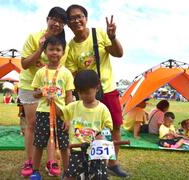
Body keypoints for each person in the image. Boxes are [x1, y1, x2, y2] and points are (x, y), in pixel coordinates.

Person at [65, 4, 127, 177]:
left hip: (107, 88)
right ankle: (90, 162)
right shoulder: (70, 47)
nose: (76, 20)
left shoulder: (98, 33)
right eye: (72, 18)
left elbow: (118, 53)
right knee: (86, 127)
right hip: (86, 94)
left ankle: (113, 164)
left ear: (86, 18)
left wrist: (112, 37)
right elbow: (73, 73)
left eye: (79, 16)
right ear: (68, 24)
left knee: (114, 125)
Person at [18, 7, 68, 177]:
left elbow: (62, 69)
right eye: (54, 19)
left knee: (52, 125)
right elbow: (24, 64)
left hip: (53, 91)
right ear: (47, 19)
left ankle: (51, 160)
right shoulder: (33, 36)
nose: (57, 23)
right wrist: (40, 49)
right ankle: (30, 161)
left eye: (62, 21)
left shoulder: (63, 44)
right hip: (30, 85)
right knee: (33, 125)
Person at [56, 70, 118, 179]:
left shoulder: (102, 109)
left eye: (87, 92)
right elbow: (60, 113)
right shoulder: (73, 106)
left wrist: (101, 136)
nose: (84, 96)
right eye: (80, 93)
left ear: (97, 89)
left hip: (96, 152)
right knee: (70, 175)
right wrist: (52, 101)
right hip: (77, 150)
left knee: (98, 176)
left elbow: (108, 129)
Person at [30, 36, 74, 178]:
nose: (54, 52)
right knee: (39, 143)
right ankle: (35, 171)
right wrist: (43, 92)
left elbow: (69, 96)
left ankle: (67, 172)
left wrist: (68, 117)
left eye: (58, 50)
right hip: (43, 112)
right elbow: (34, 93)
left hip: (61, 113)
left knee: (64, 145)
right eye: (51, 49)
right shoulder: (40, 72)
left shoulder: (66, 73)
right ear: (45, 51)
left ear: (63, 52)